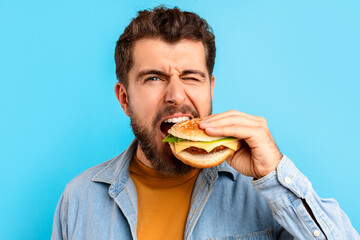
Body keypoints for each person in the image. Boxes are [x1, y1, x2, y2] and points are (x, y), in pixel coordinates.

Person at [51, 6, 359, 240]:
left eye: (190, 77)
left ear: (210, 88)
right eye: (154, 78)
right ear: (124, 98)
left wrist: (274, 174)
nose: (176, 94)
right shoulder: (79, 200)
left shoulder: (263, 194)